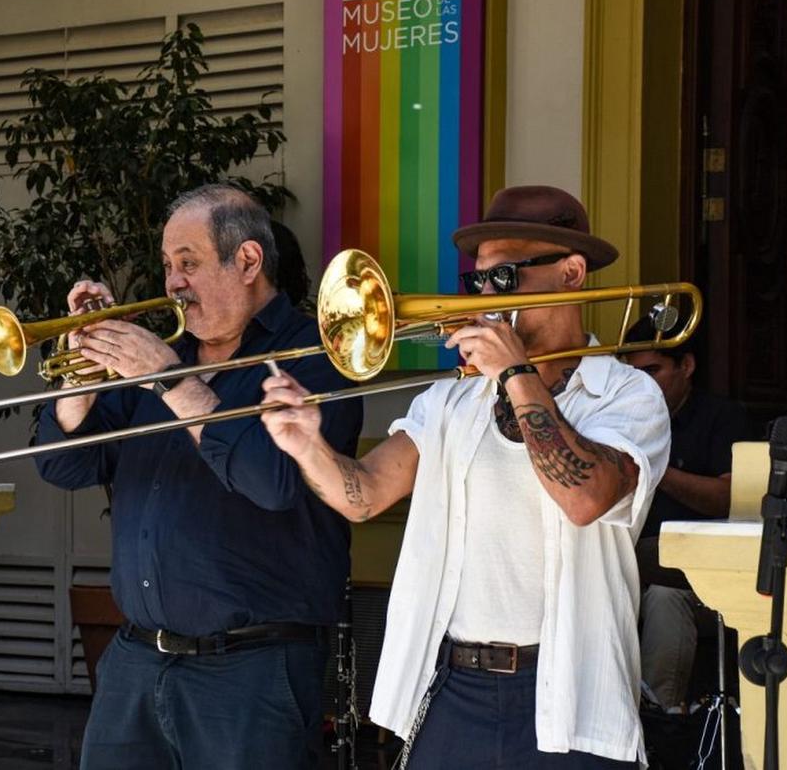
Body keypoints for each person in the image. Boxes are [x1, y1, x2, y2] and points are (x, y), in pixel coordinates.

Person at [260, 185, 672, 767]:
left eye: (502, 279)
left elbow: (586, 499)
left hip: (569, 695)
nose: (484, 297)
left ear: (573, 273)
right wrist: (307, 446)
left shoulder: (628, 394)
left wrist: (515, 374)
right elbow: (365, 495)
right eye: (477, 281)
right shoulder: (453, 399)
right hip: (453, 688)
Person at [33, 184, 363, 770]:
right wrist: (80, 381)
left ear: (248, 262)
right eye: (167, 266)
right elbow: (64, 464)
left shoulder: (318, 352)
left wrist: (170, 382)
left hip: (253, 671)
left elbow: (274, 483)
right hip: (136, 663)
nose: (172, 283)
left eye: (189, 263)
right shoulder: (167, 355)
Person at [622, 317, 752, 711]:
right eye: (632, 375)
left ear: (687, 366)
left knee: (665, 597)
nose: (642, 385)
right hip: (627, 570)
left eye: (652, 371)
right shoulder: (621, 417)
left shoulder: (721, 418)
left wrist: (653, 468)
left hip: (701, 583)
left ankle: (663, 721)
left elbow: (728, 499)